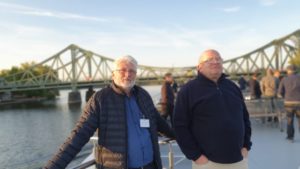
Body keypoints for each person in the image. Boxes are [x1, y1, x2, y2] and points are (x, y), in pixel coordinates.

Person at [44, 55, 175, 169]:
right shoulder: (100, 99)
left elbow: (159, 123)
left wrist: (182, 137)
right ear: (113, 74)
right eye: (122, 70)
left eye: (132, 71)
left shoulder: (143, 95)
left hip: (150, 165)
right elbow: (78, 136)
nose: (128, 74)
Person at [173, 49, 252, 169]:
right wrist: (196, 156)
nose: (215, 62)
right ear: (199, 67)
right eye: (209, 60)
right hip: (208, 163)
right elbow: (180, 126)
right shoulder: (188, 91)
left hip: (239, 160)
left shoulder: (233, 87)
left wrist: (246, 145)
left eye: (218, 59)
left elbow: (245, 118)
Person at [278, 65, 300, 142]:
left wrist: (285, 96)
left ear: (288, 71)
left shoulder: (284, 79)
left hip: (288, 103)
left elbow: (280, 92)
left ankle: (290, 137)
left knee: (290, 120)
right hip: (299, 102)